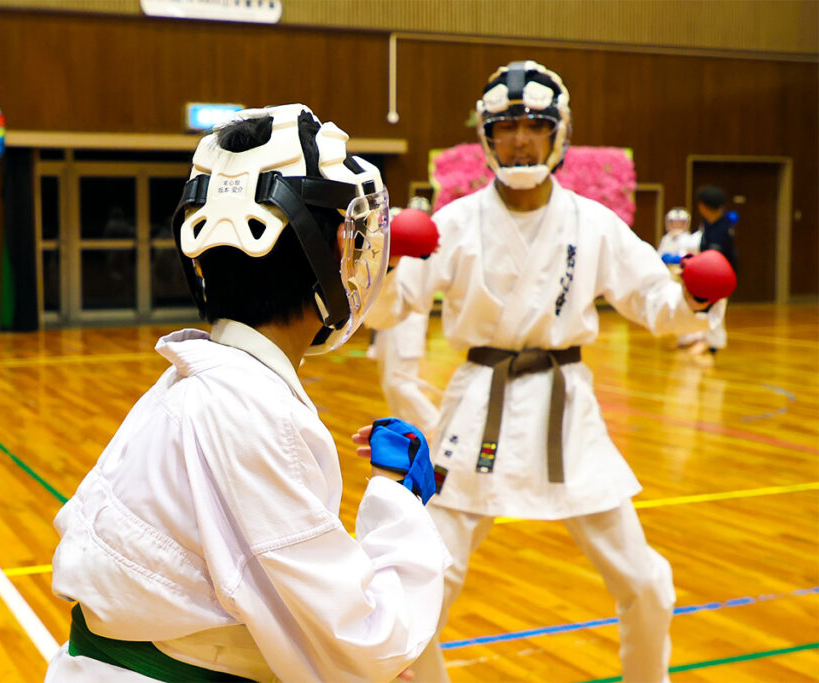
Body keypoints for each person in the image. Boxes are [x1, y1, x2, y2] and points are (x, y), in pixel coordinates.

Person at [44, 104, 449, 682]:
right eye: (355, 237)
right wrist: (397, 503)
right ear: (336, 246)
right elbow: (362, 645)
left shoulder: (206, 379)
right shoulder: (248, 412)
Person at [367, 61, 722, 683]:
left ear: (559, 135)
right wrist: (389, 261)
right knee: (426, 577)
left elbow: (651, 299)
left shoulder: (592, 222)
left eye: (535, 125)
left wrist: (691, 298)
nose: (521, 140)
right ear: (487, 137)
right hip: (479, 406)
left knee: (645, 583)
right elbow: (393, 308)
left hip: (568, 410)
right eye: (506, 128)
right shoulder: (453, 224)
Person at [367, 196, 441, 440]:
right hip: (395, 315)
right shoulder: (404, 244)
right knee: (393, 383)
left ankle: (437, 426)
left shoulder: (425, 250)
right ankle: (413, 436)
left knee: (400, 382)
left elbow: (413, 296)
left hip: (408, 319)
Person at [687, 185, 737, 359]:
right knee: (704, 309)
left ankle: (712, 343)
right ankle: (705, 339)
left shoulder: (722, 229)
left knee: (715, 309)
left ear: (703, 206)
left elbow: (719, 255)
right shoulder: (709, 224)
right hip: (708, 273)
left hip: (720, 275)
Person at [657, 207, 703, 348]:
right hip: (670, 277)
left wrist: (678, 259)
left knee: (687, 306)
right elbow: (660, 255)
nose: (676, 225)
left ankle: (695, 336)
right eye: (673, 222)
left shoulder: (689, 239)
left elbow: (691, 256)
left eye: (680, 222)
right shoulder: (666, 239)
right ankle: (683, 336)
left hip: (684, 276)